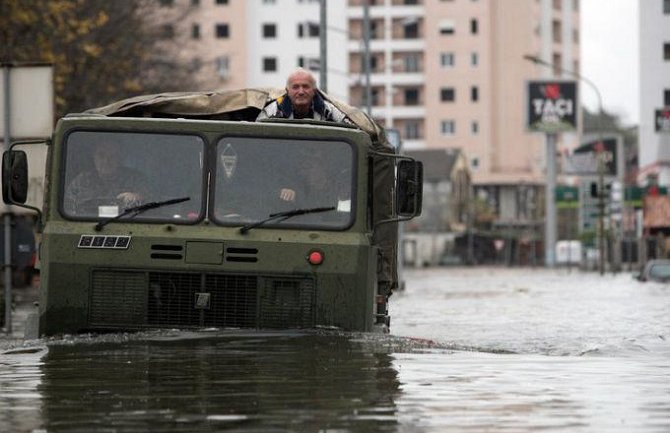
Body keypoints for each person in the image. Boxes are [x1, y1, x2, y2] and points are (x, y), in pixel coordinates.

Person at [64, 143, 148, 216]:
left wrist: (137, 197)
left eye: (113, 156)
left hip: (127, 225)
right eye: (101, 155)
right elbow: (67, 206)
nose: (106, 161)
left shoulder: (134, 178)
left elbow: (152, 203)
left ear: (120, 159)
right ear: (94, 157)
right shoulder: (81, 181)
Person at [257, 68, 351, 123]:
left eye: (305, 86)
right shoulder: (272, 112)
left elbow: (350, 130)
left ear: (314, 90)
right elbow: (257, 133)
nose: (301, 92)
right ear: (287, 91)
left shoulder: (329, 111)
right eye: (295, 87)